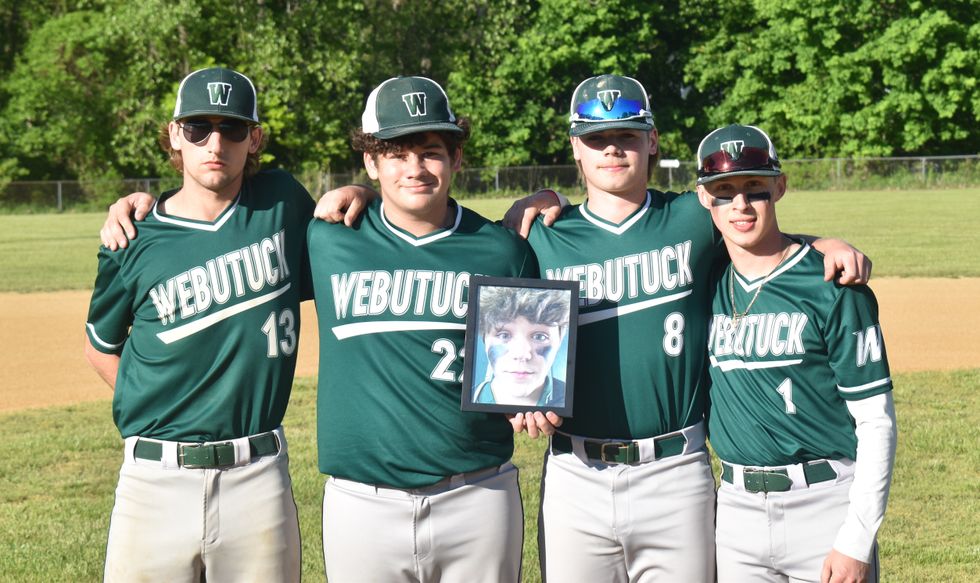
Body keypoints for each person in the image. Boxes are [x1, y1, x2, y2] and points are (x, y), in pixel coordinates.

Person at [316, 74, 872, 583]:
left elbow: (752, 223)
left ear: (652, 141)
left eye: (627, 135)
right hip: (574, 470)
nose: (612, 147)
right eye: (596, 136)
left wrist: (821, 244)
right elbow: (513, 345)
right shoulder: (535, 237)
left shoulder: (693, 218)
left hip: (676, 469)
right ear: (575, 146)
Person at [307, 76, 541, 582]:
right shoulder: (328, 238)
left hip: (478, 493)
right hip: (360, 501)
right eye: (395, 153)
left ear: (456, 157)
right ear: (370, 162)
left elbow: (531, 360)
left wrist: (535, 401)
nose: (414, 168)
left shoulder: (501, 250)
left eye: (430, 151)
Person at [84, 67, 311, 582]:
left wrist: (362, 195)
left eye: (232, 129)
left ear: (254, 139)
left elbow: (355, 243)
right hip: (153, 480)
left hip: (257, 475)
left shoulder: (282, 203)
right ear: (174, 136)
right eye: (198, 129)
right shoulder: (133, 234)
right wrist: (153, 404)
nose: (215, 143)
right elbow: (100, 346)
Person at [695, 124, 897, 583]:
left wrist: (856, 537)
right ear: (705, 198)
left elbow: (876, 420)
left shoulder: (832, 285)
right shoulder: (705, 279)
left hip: (824, 503)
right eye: (724, 191)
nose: (740, 205)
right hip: (736, 512)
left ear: (779, 187)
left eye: (755, 189)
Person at [473, 285, 570, 407]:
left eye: (540, 337)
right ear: (484, 338)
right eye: (504, 335)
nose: (521, 354)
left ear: (559, 340)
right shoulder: (464, 399)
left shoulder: (578, 400)